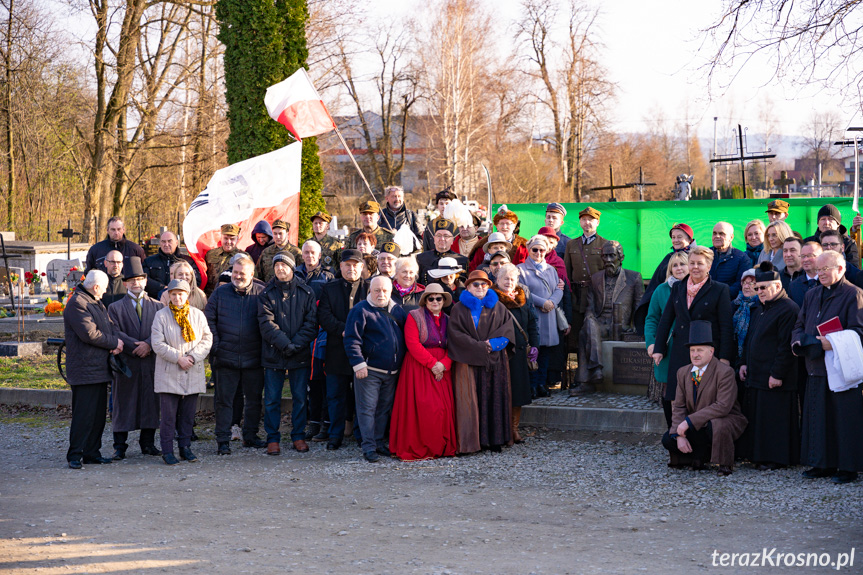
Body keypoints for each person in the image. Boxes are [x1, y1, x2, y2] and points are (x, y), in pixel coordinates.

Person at [792, 250, 863, 484]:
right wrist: (797, 341)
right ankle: (822, 463)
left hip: (841, 367)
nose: (820, 273)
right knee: (818, 418)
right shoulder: (812, 294)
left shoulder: (854, 294)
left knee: (843, 419)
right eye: (818, 269)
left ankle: (847, 467)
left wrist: (831, 342)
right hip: (815, 365)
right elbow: (799, 324)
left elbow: (859, 332)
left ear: (840, 269)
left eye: (825, 269)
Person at [653, 246, 734, 428]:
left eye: (700, 263)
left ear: (709, 266)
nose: (695, 267)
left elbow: (726, 326)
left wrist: (725, 357)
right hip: (681, 350)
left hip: (706, 354)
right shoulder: (678, 288)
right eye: (692, 263)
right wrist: (658, 349)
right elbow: (666, 320)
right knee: (677, 397)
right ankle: (676, 438)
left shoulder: (720, 289)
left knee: (701, 398)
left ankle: (698, 446)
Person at [661, 320, 747, 476]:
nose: (695, 355)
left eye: (700, 350)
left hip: (724, 419)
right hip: (698, 424)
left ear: (711, 352)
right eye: (692, 350)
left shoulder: (724, 372)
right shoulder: (683, 372)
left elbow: (723, 406)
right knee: (668, 439)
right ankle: (698, 457)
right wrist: (678, 434)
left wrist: (688, 422)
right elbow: (679, 406)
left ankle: (723, 463)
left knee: (716, 425)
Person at [738, 262, 800, 469]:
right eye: (757, 288)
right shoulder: (761, 308)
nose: (760, 292)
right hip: (757, 375)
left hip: (775, 378)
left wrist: (777, 374)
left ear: (777, 285)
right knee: (760, 418)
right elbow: (750, 339)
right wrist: (744, 363)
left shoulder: (789, 309)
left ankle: (776, 459)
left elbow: (785, 347)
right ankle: (759, 456)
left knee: (775, 420)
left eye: (764, 288)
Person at [204, 253, 266, 455]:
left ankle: (250, 436)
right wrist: (217, 346)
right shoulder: (220, 294)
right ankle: (223, 439)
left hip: (254, 357)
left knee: (254, 399)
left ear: (252, 274)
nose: (238, 277)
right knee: (224, 401)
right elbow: (208, 321)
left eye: (242, 274)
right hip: (225, 356)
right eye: (236, 273)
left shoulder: (261, 293)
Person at [258, 252, 318, 455]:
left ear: (292, 268)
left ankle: (298, 436)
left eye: (284, 265)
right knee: (272, 398)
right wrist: (285, 345)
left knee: (300, 397)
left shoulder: (307, 292)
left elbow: (311, 324)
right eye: (276, 265)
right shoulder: (266, 293)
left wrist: (296, 345)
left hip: (299, 354)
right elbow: (266, 324)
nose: (280, 269)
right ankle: (273, 438)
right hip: (274, 353)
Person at [448, 270, 514, 453]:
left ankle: (495, 439)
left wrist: (492, 344)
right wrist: (478, 347)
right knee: (471, 401)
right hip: (468, 361)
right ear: (468, 287)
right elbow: (455, 333)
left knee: (494, 398)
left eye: (483, 284)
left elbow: (507, 331)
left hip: (495, 361)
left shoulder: (499, 307)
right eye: (475, 284)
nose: (480, 287)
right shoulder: (458, 309)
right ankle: (473, 441)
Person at [389, 283, 458, 460]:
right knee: (424, 407)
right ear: (425, 300)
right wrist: (433, 364)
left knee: (441, 409)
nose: (435, 301)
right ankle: (420, 445)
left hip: (442, 369)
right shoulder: (414, 316)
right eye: (431, 298)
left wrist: (444, 365)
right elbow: (412, 344)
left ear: (444, 301)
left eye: (439, 298)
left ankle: (439, 446)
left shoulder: (449, 320)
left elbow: (455, 347)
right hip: (419, 368)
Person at [344, 275, 408, 463]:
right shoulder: (360, 310)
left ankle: (379, 443)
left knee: (383, 409)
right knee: (367, 410)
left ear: (390, 291)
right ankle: (369, 447)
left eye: (385, 290)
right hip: (369, 370)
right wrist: (358, 363)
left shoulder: (397, 310)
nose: (381, 294)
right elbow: (351, 339)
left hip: (392, 372)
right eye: (377, 290)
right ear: (370, 290)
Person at [64, 270, 123, 469]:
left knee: (98, 415)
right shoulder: (77, 303)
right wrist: (114, 342)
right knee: (84, 414)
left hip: (97, 368)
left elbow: (109, 325)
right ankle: (75, 454)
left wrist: (115, 340)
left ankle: (92, 453)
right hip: (84, 370)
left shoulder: (93, 300)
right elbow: (89, 334)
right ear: (96, 287)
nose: (105, 292)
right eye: (104, 288)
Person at [106, 257, 164, 460]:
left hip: (150, 361)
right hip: (126, 363)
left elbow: (161, 332)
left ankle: (147, 443)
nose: (136, 283)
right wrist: (134, 347)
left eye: (139, 279)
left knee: (150, 402)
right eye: (131, 280)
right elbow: (114, 331)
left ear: (145, 281)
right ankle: (119, 446)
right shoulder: (115, 308)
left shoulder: (158, 307)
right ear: (125, 283)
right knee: (124, 403)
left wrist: (148, 344)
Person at [151, 279, 213, 465]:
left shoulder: (198, 315)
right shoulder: (161, 316)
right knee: (169, 415)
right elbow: (157, 343)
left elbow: (206, 339)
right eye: (174, 294)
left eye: (181, 294)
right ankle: (167, 450)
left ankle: (185, 447)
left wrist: (193, 357)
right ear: (169, 296)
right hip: (169, 370)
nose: (177, 298)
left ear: (188, 295)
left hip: (192, 370)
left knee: (187, 414)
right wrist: (178, 357)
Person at [573, 241, 644, 395]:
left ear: (621, 257)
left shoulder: (634, 277)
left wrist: (635, 326)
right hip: (599, 322)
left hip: (620, 325)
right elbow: (590, 307)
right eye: (605, 256)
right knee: (588, 326)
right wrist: (589, 318)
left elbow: (639, 306)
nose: (608, 260)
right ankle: (595, 372)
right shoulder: (596, 278)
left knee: (586, 331)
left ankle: (589, 378)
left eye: (612, 255)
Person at [317, 249, 368, 450]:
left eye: (356, 265)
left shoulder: (369, 288)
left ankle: (360, 434)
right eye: (347, 264)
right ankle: (335, 435)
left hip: (362, 352)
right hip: (336, 351)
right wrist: (345, 331)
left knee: (360, 396)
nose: (351, 268)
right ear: (341, 266)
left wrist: (356, 333)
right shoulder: (330, 289)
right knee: (335, 396)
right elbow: (324, 316)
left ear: (362, 267)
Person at [493, 263, 539, 444]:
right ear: (498, 280)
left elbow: (532, 324)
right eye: (505, 279)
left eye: (512, 279)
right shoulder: (493, 300)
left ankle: (514, 429)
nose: (509, 282)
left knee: (518, 393)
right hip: (502, 354)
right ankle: (502, 429)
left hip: (520, 354)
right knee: (502, 392)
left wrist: (535, 346)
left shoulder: (522, 298)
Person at [518, 235, 563, 398]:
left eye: (542, 250)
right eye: (535, 249)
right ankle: (531, 385)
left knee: (545, 353)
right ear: (529, 250)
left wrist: (551, 302)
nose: (538, 252)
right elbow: (522, 290)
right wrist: (543, 303)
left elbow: (559, 288)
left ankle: (541, 384)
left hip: (549, 315)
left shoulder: (551, 270)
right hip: (533, 314)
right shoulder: (520, 269)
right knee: (533, 352)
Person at [644, 251, 689, 404]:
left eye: (682, 264)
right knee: (667, 389)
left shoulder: (696, 289)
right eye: (674, 265)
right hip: (667, 346)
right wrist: (651, 343)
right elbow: (652, 319)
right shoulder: (661, 290)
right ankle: (671, 426)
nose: (679, 268)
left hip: (689, 346)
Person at [637, 223, 696, 333]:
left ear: (689, 239)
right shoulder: (669, 257)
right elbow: (656, 283)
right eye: (673, 237)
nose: (675, 240)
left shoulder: (696, 256)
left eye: (679, 237)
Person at [564, 207, 608, 348]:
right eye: (584, 219)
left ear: (597, 223)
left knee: (594, 333)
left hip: (595, 295)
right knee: (574, 333)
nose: (587, 222)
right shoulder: (571, 244)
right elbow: (567, 271)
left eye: (590, 219)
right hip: (576, 295)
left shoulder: (605, 244)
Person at [142, 231, 201, 298]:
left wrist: (177, 289)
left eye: (169, 241)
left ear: (176, 242)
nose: (166, 244)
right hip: (156, 301)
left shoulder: (187, 261)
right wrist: (163, 289)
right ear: (160, 243)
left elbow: (197, 280)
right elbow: (143, 279)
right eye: (163, 241)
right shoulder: (149, 261)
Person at [416, 218, 469, 286]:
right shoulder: (421, 258)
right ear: (434, 239)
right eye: (439, 235)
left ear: (452, 240)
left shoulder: (463, 260)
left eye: (446, 236)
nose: (442, 239)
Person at [710, 222, 750, 298]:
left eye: (722, 234)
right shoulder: (705, 255)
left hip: (728, 303)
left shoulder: (742, 258)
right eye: (714, 233)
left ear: (731, 237)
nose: (717, 236)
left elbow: (740, 284)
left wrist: (719, 295)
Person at [731, 269, 759, 376]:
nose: (747, 287)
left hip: (751, 361)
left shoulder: (761, 307)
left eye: (752, 283)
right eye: (745, 283)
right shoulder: (734, 304)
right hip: (733, 358)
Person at [204, 224, 244, 296]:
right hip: (211, 296)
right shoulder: (210, 254)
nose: (228, 242)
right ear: (221, 238)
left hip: (234, 297)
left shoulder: (244, 257)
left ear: (237, 239)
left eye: (232, 239)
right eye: (225, 238)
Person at [789, 241, 822, 307]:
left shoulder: (829, 282)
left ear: (821, 256)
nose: (805, 259)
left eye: (810, 255)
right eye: (803, 256)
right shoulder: (794, 286)